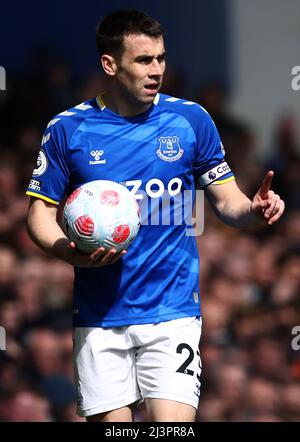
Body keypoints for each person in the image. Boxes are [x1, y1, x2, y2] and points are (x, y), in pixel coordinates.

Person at [26, 9, 285, 422]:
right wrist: (66, 250)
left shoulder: (190, 120)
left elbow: (228, 203)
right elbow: (39, 214)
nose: (157, 70)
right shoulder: (68, 129)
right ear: (110, 64)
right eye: (143, 60)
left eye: (161, 58)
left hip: (173, 310)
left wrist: (254, 210)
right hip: (99, 315)